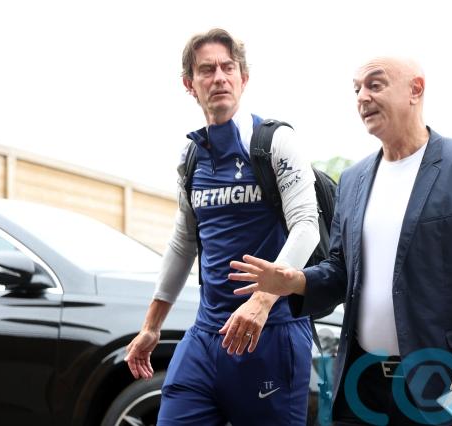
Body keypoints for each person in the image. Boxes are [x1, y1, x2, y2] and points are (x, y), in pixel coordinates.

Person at [229, 56, 452, 425]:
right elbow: (341, 271)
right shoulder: (352, 180)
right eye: (356, 89)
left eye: (375, 85)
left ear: (416, 90)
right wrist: (297, 281)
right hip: (362, 386)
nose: (362, 97)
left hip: (441, 381)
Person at [124, 28, 320, 425]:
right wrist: (151, 327)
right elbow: (183, 241)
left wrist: (261, 302)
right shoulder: (191, 155)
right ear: (189, 84)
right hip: (205, 337)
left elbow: (307, 225)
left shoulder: (275, 142)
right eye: (206, 70)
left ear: (243, 78)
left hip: (271, 333)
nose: (219, 78)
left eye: (228, 68)